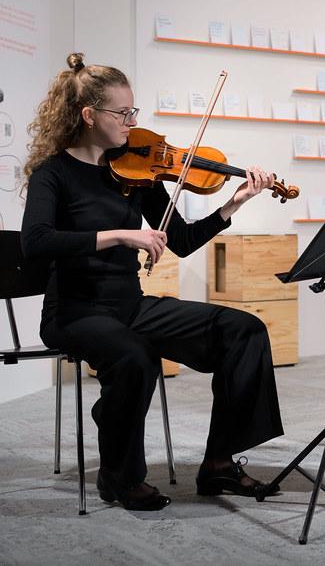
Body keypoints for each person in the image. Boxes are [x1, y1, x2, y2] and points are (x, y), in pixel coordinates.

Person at [21, 54, 284, 511]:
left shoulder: (137, 170)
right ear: (89, 116)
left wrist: (232, 205)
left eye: (133, 111)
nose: (132, 122)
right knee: (135, 357)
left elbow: (179, 240)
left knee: (243, 331)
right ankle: (119, 478)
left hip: (130, 305)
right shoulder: (54, 174)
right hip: (74, 311)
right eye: (122, 113)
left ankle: (219, 463)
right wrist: (120, 235)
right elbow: (36, 242)